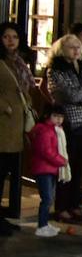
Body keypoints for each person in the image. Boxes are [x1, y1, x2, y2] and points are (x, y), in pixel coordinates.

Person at [47, 33, 82, 224]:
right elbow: (66, 94)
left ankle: (74, 204)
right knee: (65, 166)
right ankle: (61, 207)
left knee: (79, 167)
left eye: (78, 46)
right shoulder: (56, 70)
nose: (77, 50)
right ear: (62, 49)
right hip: (70, 122)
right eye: (72, 46)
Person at [1, 20, 38, 235]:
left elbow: (26, 88)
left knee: (9, 169)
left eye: (14, 37)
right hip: (4, 122)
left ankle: (5, 217)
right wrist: (5, 107)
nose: (10, 41)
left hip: (16, 125)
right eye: (6, 37)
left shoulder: (19, 62)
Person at [28, 104, 69, 237]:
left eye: (61, 117)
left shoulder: (56, 130)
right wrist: (61, 160)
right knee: (47, 198)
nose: (58, 119)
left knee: (49, 198)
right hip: (44, 169)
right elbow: (46, 151)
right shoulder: (45, 130)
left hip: (50, 169)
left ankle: (44, 223)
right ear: (48, 116)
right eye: (55, 116)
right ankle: (41, 226)